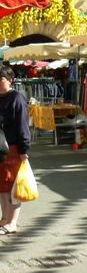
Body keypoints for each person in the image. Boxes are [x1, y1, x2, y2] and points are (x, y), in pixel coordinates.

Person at [0, 66, 31, 235]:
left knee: (13, 187)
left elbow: (22, 125)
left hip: (12, 147)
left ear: (10, 80)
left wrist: (24, 149)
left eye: (1, 79)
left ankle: (12, 222)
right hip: (0, 148)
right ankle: (5, 217)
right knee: (2, 186)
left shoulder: (17, 98)